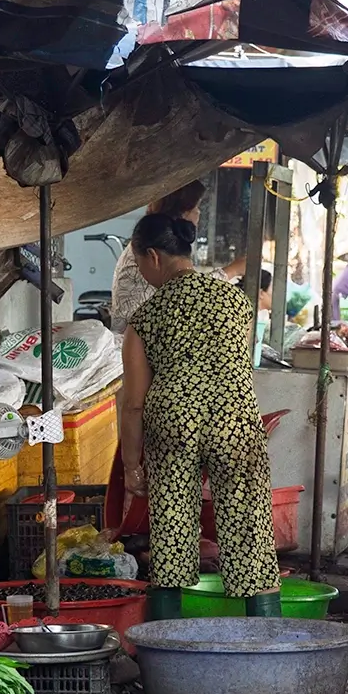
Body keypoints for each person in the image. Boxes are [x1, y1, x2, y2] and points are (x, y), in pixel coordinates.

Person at [119, 213, 282, 617]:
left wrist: (130, 465)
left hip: (173, 423)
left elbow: (134, 401)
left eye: (139, 263)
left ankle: (167, 645)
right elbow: (235, 363)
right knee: (248, 528)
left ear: (153, 257)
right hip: (235, 421)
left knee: (172, 531)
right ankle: (266, 641)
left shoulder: (146, 318)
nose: (142, 272)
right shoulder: (237, 302)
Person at [111, 180, 205, 331]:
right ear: (153, 258)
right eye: (195, 208)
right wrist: (231, 271)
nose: (198, 213)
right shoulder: (146, 255)